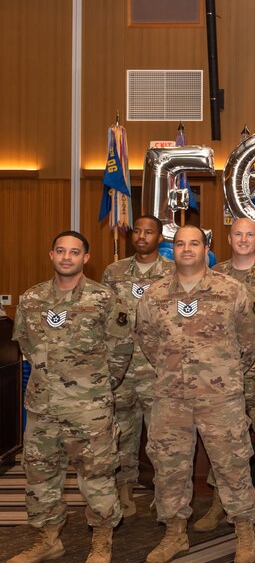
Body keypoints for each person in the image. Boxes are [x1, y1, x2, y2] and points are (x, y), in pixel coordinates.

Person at [137, 224, 255, 563]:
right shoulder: (154, 294)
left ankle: (244, 530)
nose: (187, 249)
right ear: (173, 250)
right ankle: (175, 534)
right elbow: (147, 340)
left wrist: (223, 373)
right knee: (169, 468)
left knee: (233, 464)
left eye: (194, 243)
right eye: (180, 244)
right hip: (170, 398)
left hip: (220, 398)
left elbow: (249, 341)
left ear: (206, 248)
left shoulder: (232, 291)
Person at [7, 231, 132, 563]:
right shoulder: (32, 299)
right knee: (40, 475)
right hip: (42, 406)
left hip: (88, 407)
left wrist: (96, 388)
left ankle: (102, 538)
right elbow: (26, 345)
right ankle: (49, 540)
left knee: (96, 474)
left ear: (85, 258)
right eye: (60, 251)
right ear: (51, 255)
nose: (66, 257)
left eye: (74, 252)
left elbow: (120, 351)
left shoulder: (103, 298)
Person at [194, 217, 255, 534]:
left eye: (250, 234)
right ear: (229, 237)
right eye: (238, 234)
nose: (244, 239)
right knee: (225, 444)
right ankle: (221, 502)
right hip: (224, 376)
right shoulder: (213, 275)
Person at [101, 215, 174, 517]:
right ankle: (124, 492)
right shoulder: (114, 272)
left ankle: (165, 495)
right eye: (138, 232)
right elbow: (105, 317)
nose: (142, 236)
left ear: (160, 238)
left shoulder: (172, 272)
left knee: (162, 437)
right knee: (122, 434)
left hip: (157, 369)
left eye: (150, 232)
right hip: (120, 369)